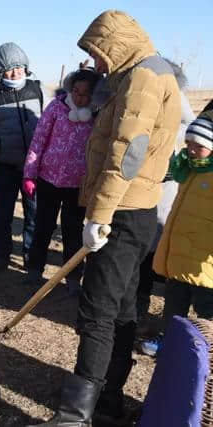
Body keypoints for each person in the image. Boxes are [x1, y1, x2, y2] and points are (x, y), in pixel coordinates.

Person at [31, 11, 182, 426]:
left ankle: (74, 416)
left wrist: (99, 215)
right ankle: (109, 397)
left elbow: (127, 152)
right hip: (136, 210)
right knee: (121, 307)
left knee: (98, 311)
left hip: (122, 211)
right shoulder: (149, 73)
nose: (97, 65)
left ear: (117, 44)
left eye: (99, 54)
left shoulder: (143, 79)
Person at [139, 113, 213, 357]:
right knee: (173, 304)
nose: (191, 150)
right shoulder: (188, 170)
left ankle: (205, 352)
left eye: (199, 146)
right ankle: (169, 341)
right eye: (189, 144)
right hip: (179, 253)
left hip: (204, 265)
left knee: (206, 310)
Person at [136, 61, 196, 348]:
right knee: (140, 257)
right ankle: (136, 311)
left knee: (157, 255)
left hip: (168, 196)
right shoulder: (139, 99)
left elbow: (193, 132)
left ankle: (171, 328)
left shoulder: (183, 119)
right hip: (138, 193)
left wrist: (175, 163)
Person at [22, 69, 100, 290]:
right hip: (48, 179)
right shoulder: (56, 107)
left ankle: (73, 277)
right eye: (75, 91)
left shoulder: (98, 115)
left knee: (73, 231)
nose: (79, 97)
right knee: (43, 227)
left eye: (85, 94)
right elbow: (38, 140)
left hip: (78, 185)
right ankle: (34, 270)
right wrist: (29, 173)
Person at [0, 42, 44, 272]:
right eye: (10, 69)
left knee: (35, 214)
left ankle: (30, 256)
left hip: (34, 168)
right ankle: (1, 257)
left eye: (20, 67)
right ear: (0, 71)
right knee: (1, 215)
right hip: (5, 167)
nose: (16, 73)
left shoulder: (38, 90)